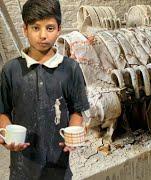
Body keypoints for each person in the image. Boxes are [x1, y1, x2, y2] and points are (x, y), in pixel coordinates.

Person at [0, 0, 90, 179]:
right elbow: (3, 112)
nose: (43, 35)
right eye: (35, 28)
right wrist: (7, 133)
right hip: (21, 170)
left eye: (49, 28)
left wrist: (72, 133)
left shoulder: (70, 69)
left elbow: (76, 110)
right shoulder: (11, 70)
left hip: (59, 169)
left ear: (59, 29)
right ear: (25, 29)